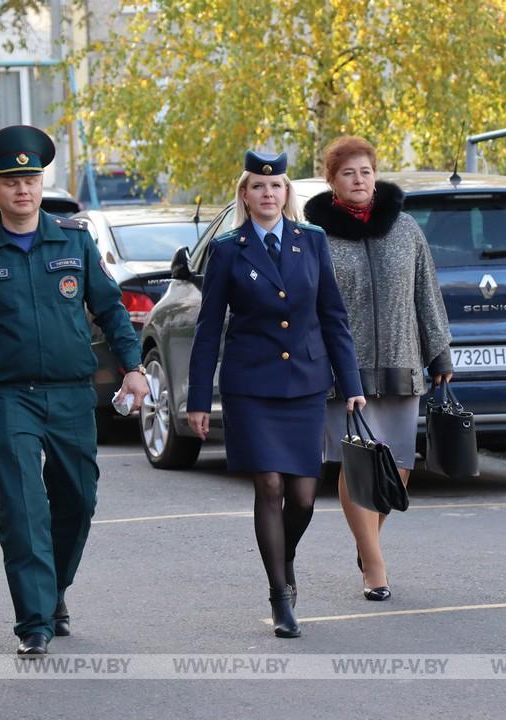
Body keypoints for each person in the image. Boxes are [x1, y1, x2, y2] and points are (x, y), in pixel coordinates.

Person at [0, 125, 148, 656]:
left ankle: (53, 589)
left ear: (40, 183)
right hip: (11, 398)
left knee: (78, 500)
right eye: (11, 181)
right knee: (23, 507)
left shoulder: (73, 240)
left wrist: (132, 367)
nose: (22, 190)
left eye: (30, 179)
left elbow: (111, 311)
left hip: (73, 393)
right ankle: (33, 621)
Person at [187, 150, 366, 638]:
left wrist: (351, 384)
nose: (268, 194)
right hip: (252, 386)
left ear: (287, 195)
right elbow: (208, 331)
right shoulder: (228, 249)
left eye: (277, 187)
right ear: (245, 194)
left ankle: (282, 557)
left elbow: (333, 315)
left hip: (306, 383)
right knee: (268, 485)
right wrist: (198, 400)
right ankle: (280, 594)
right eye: (259, 187)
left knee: (304, 497)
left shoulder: (311, 242)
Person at [304, 135, 452, 602]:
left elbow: (426, 293)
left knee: (400, 463)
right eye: (348, 173)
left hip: (403, 359)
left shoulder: (405, 229)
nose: (359, 180)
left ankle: (368, 543)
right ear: (332, 183)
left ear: (376, 175)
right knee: (359, 460)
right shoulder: (316, 237)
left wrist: (439, 352)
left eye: (365, 171)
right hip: (344, 367)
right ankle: (374, 564)